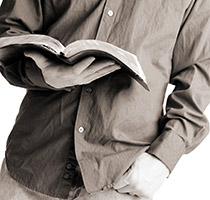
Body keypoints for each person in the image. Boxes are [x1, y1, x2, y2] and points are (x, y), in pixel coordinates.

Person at [0, 0, 210, 200]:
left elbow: (198, 75)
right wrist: (43, 74)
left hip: (121, 178)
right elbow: (8, 33)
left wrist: (162, 159)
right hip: (32, 165)